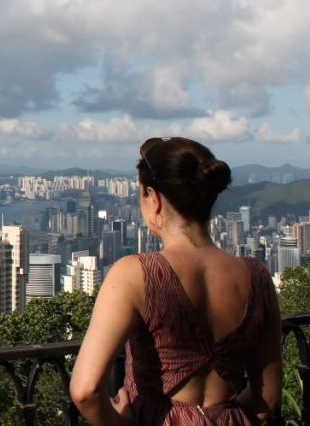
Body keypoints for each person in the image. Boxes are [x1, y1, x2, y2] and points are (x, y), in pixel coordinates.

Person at [70, 137, 282, 425]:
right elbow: (266, 396)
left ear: (154, 199)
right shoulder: (257, 277)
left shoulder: (134, 273)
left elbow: (85, 391)